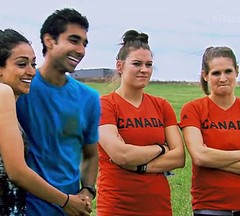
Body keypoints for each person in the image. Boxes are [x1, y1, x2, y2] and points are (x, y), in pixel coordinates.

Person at [16, 8, 101, 215]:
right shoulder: (20, 88)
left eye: (84, 44)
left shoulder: (89, 98)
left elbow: (90, 154)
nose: (81, 50)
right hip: (27, 208)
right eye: (73, 40)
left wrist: (87, 191)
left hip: (71, 208)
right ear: (49, 41)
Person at [0, 28, 91, 216]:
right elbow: (17, 172)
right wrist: (66, 201)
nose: (31, 71)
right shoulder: (3, 94)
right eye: (21, 64)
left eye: (33, 64)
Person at [97, 29, 185, 216]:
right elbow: (121, 154)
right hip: (116, 205)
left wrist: (139, 166)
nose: (144, 70)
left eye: (149, 64)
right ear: (120, 66)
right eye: (137, 64)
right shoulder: (105, 105)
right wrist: (160, 149)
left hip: (158, 205)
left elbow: (179, 158)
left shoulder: (162, 106)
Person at [179, 46, 240, 216]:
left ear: (237, 71)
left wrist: (215, 160)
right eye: (216, 73)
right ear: (205, 75)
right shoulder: (193, 109)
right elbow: (200, 157)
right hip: (209, 205)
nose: (223, 78)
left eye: (228, 71)